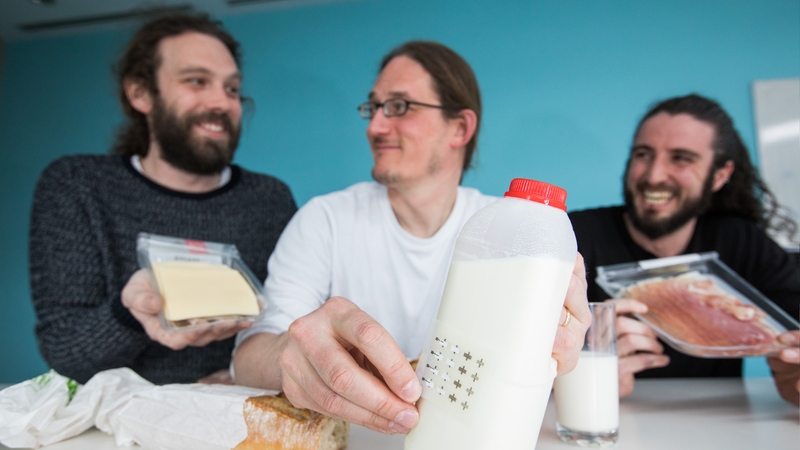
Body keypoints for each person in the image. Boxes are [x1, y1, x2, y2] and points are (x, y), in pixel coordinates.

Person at [233, 41, 591, 434]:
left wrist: (563, 346)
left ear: (460, 128)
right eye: (374, 108)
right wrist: (293, 353)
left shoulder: (516, 234)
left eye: (400, 106)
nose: (375, 126)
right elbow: (250, 355)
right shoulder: (325, 220)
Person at [29, 13, 296, 385]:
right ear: (140, 93)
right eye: (197, 81)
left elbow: (289, 325)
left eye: (232, 88)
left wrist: (244, 376)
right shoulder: (78, 185)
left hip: (238, 422)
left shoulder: (269, 200)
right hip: (115, 429)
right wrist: (129, 312)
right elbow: (65, 351)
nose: (222, 102)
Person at [569, 94, 800, 404]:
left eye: (681, 158)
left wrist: (792, 374)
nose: (654, 175)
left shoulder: (740, 241)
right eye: (643, 154)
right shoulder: (573, 237)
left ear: (720, 175)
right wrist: (576, 372)